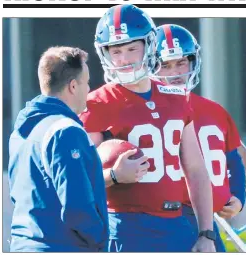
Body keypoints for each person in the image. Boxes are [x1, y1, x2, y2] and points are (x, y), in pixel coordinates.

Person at [80, 4, 215, 252]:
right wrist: (114, 176)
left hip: (178, 224)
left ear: (151, 45)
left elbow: (196, 170)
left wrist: (207, 232)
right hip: (124, 227)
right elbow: (79, 179)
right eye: (116, 51)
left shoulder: (177, 96)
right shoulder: (95, 103)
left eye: (132, 48)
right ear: (105, 53)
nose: (124, 59)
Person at [154, 24, 246, 251]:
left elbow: (235, 160)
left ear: (193, 61)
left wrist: (237, 197)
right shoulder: (143, 111)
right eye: (165, 65)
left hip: (209, 221)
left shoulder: (214, 110)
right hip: (162, 220)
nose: (176, 72)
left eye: (181, 63)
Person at [8, 46, 109, 252]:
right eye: (87, 82)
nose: (89, 89)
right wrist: (101, 241)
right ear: (73, 86)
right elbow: (77, 207)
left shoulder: (20, 132)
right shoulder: (66, 130)